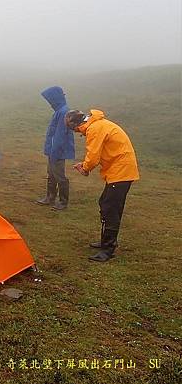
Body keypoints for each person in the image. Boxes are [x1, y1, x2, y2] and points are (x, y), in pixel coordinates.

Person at [66, 109, 139, 262]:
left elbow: (92, 156)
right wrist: (86, 165)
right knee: (106, 203)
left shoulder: (94, 129)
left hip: (121, 171)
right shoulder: (99, 124)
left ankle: (108, 249)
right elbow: (99, 153)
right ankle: (106, 241)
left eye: (74, 129)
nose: (77, 133)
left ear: (77, 124)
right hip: (120, 170)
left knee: (110, 207)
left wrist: (85, 168)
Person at [36, 86, 75, 210]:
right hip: (53, 150)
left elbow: (59, 135)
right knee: (51, 173)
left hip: (57, 151)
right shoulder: (60, 111)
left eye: (50, 100)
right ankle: (50, 197)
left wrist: (54, 152)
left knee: (59, 175)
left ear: (55, 99)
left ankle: (63, 201)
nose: (49, 103)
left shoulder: (63, 112)